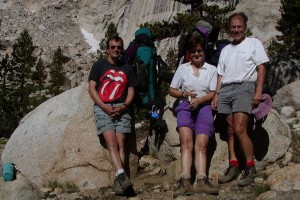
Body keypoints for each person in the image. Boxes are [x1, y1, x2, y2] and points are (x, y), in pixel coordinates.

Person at [211, 12, 270, 187]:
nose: (236, 30)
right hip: (226, 89)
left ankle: (250, 168)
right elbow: (220, 74)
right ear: (229, 29)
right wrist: (216, 93)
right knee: (229, 130)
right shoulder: (226, 50)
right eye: (233, 27)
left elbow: (262, 68)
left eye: (239, 26)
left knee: (240, 128)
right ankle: (234, 165)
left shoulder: (254, 43)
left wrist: (258, 90)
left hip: (244, 87)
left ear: (245, 27)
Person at [169, 35, 219, 197]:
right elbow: (172, 89)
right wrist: (184, 93)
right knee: (186, 142)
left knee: (202, 144)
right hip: (185, 105)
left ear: (204, 52)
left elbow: (212, 93)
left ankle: (201, 180)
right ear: (189, 53)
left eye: (200, 50)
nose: (197, 54)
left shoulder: (211, 69)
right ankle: (185, 181)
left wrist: (199, 100)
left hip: (203, 107)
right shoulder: (183, 68)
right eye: (193, 51)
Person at [88, 36, 137, 195]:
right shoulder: (99, 65)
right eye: (113, 47)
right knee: (111, 142)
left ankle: (118, 182)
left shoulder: (127, 68)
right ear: (107, 49)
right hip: (104, 107)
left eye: (119, 47)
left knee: (121, 142)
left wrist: (123, 107)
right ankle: (122, 176)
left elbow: (131, 90)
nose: (116, 50)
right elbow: (92, 88)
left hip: (122, 108)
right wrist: (103, 107)